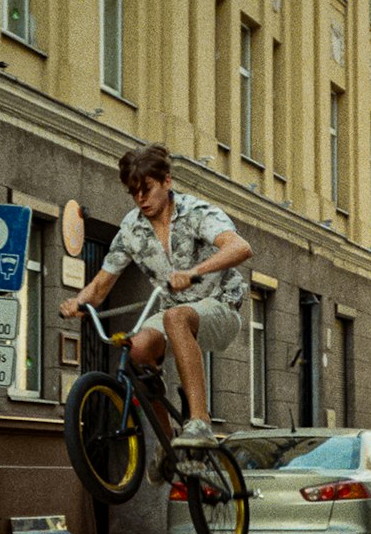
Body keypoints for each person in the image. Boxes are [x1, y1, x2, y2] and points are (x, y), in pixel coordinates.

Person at [60, 143, 252, 470]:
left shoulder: (196, 213)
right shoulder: (131, 229)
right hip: (175, 309)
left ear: (166, 181)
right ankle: (167, 444)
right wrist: (79, 301)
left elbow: (240, 247)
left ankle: (200, 422)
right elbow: (101, 286)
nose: (141, 199)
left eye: (146, 189)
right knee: (135, 349)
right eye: (133, 193)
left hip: (220, 304)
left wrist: (194, 272)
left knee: (176, 317)